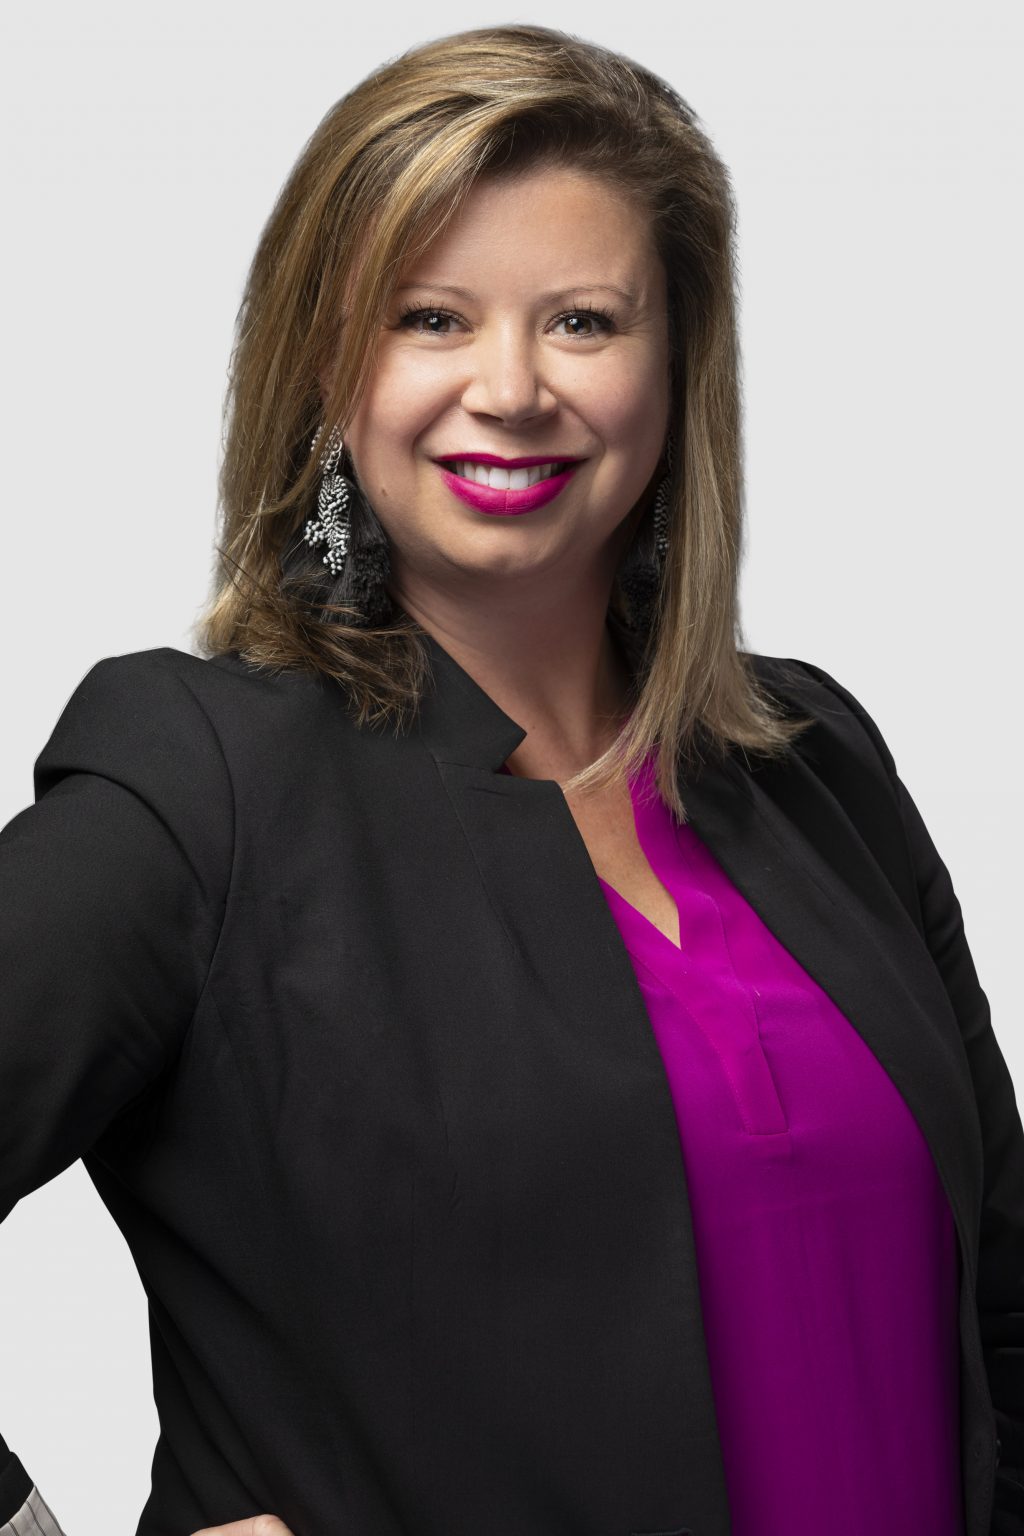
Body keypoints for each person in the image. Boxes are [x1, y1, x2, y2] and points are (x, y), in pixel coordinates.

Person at [1, 21, 1022, 1536]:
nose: (512, 387)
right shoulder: (204, 791)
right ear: (327, 370)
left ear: (678, 370)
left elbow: (999, 1311)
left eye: (585, 322)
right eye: (430, 317)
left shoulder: (817, 765)